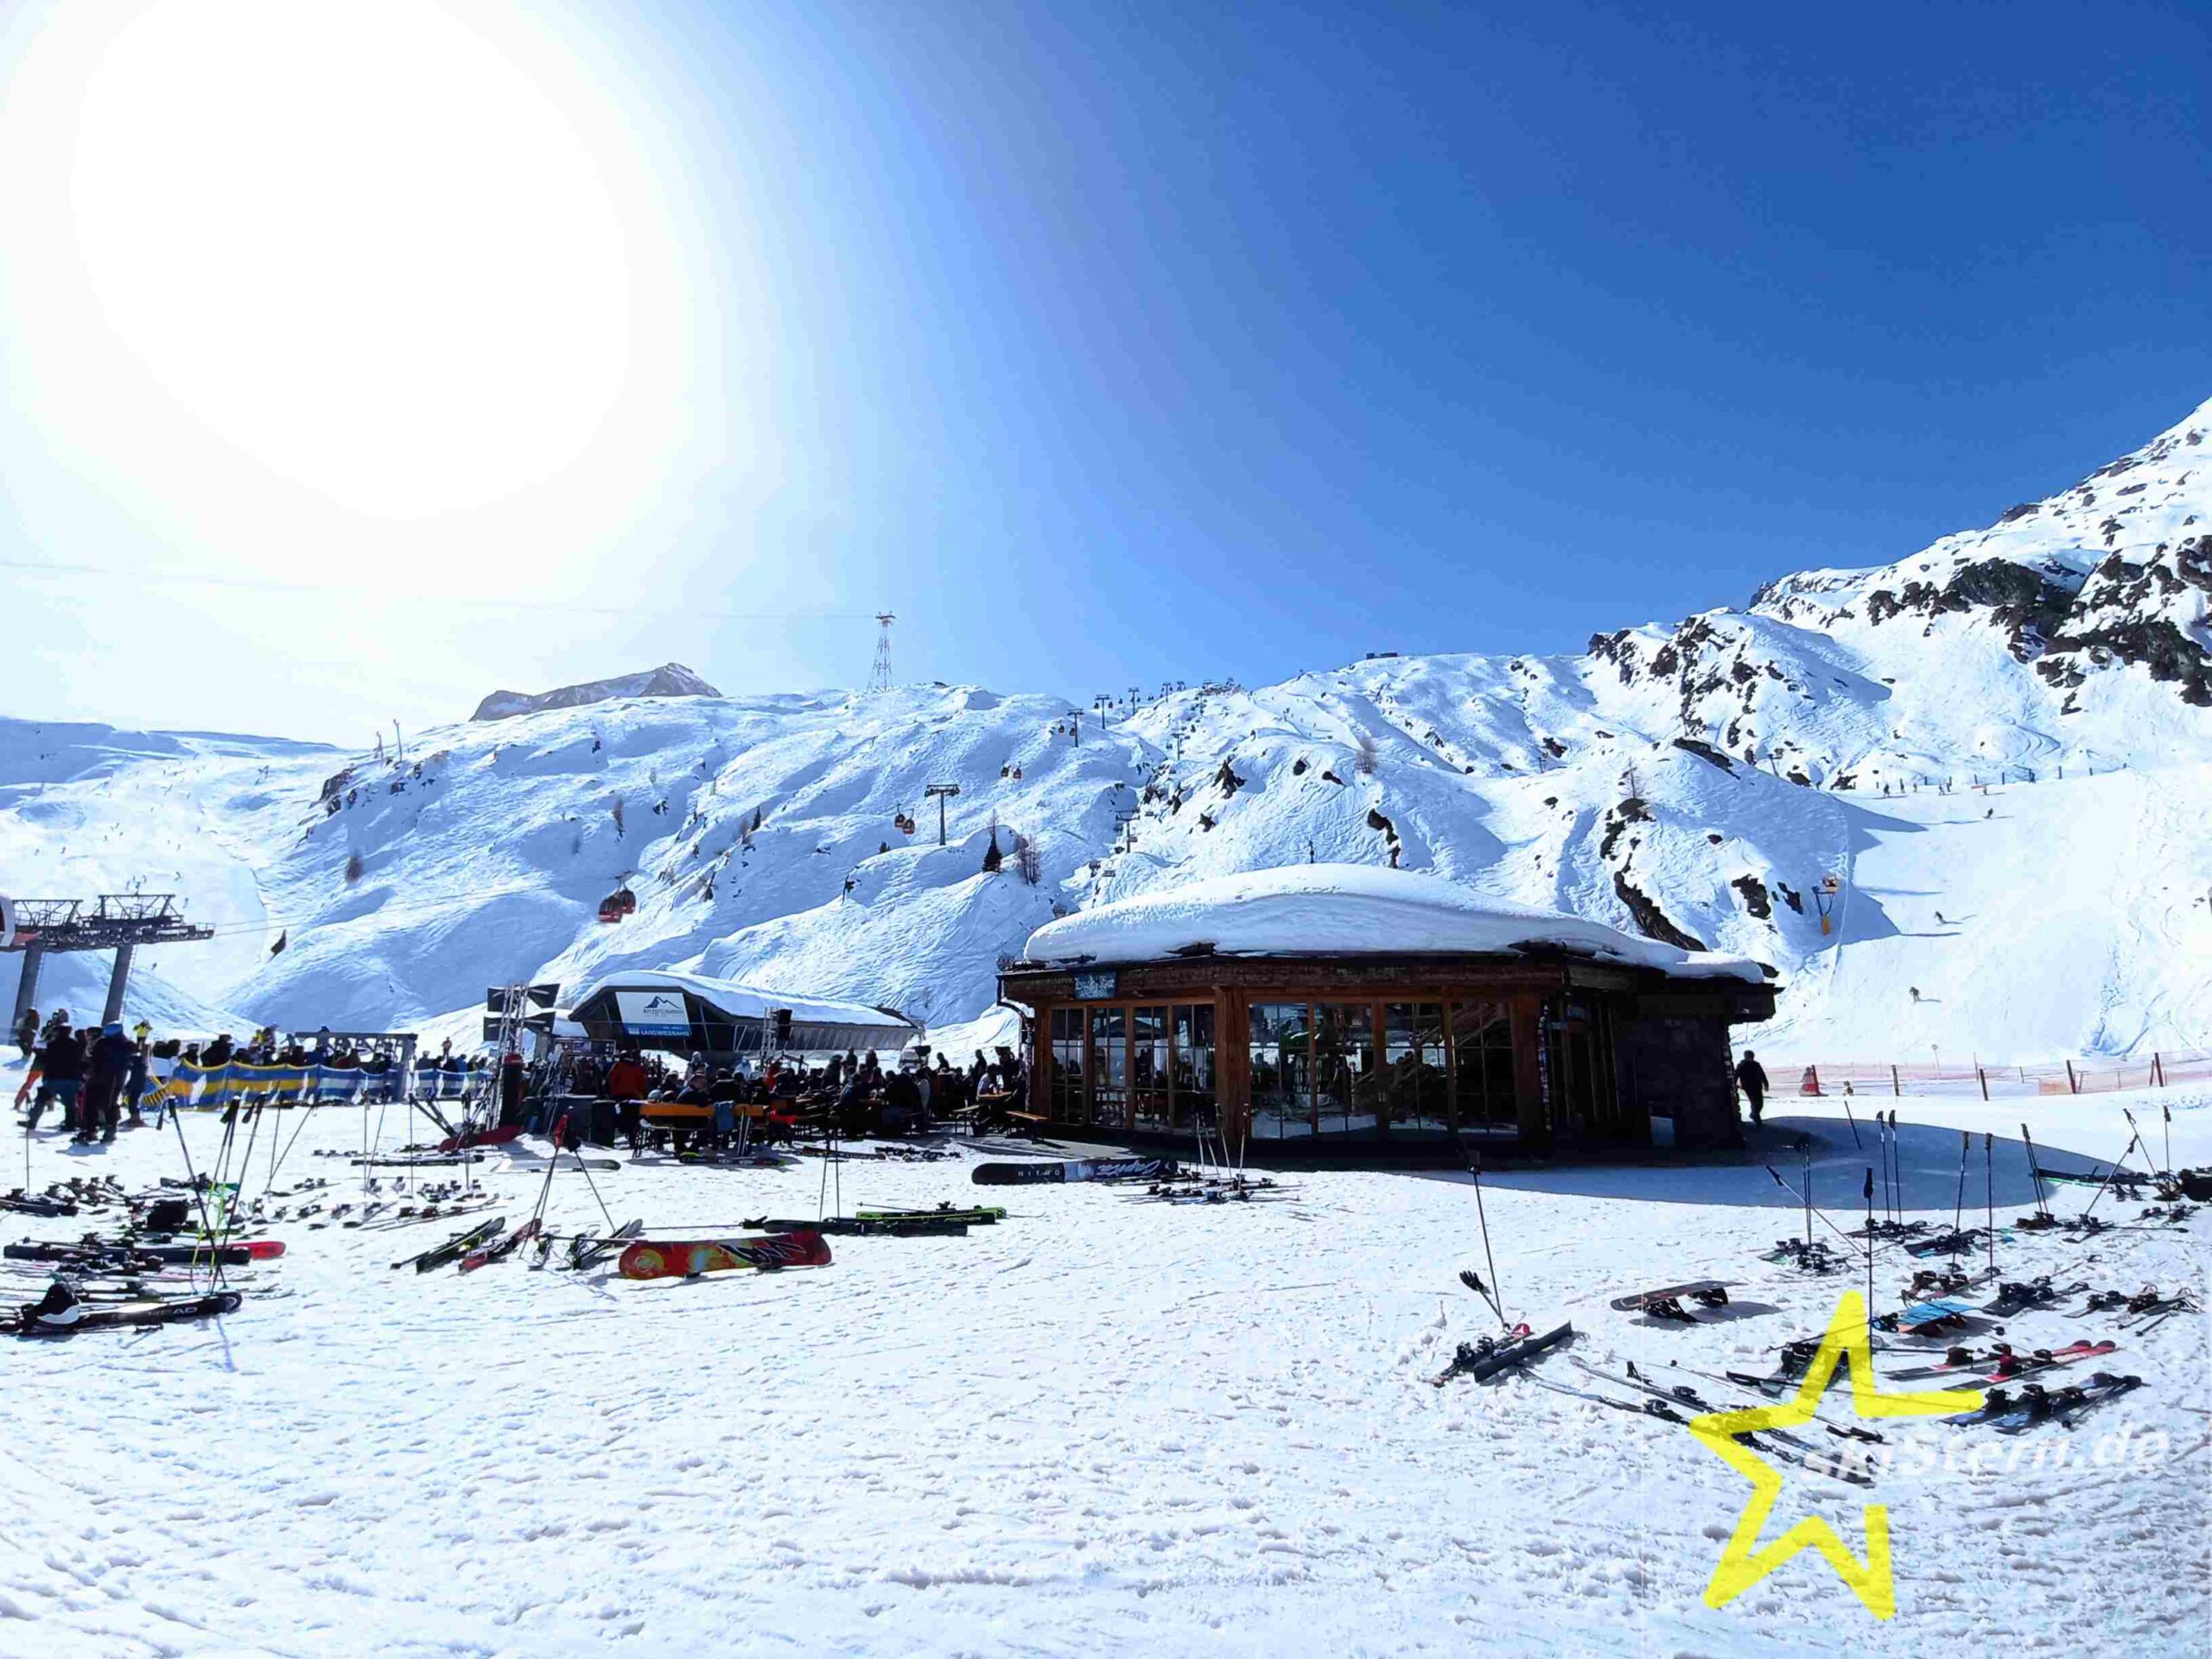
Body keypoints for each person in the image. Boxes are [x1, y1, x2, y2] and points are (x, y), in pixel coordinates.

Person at [25, 1017, 85, 1133]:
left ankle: (32, 1122)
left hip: (54, 1077)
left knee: (41, 1099)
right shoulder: (76, 1045)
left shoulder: (53, 1045)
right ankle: (70, 1125)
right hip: (72, 1078)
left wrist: (39, 1053)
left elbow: (47, 1059)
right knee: (70, 1103)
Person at [84, 1021, 132, 1143]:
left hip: (109, 1078)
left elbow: (92, 1057)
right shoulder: (109, 1043)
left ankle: (104, 1129)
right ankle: (95, 1130)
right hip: (103, 1077)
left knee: (105, 1103)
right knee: (96, 1103)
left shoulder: (120, 1044)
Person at [1734, 1050, 1770, 1128]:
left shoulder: (1756, 1064)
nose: (1751, 1058)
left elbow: (1762, 1074)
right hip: (1748, 1087)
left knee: (1760, 1103)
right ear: (1746, 1057)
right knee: (1755, 1103)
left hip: (1757, 1086)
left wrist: (1766, 1084)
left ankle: (1753, 1115)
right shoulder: (1741, 1065)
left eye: (1752, 1056)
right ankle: (1757, 1120)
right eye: (1750, 1056)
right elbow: (1736, 1075)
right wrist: (1734, 1084)